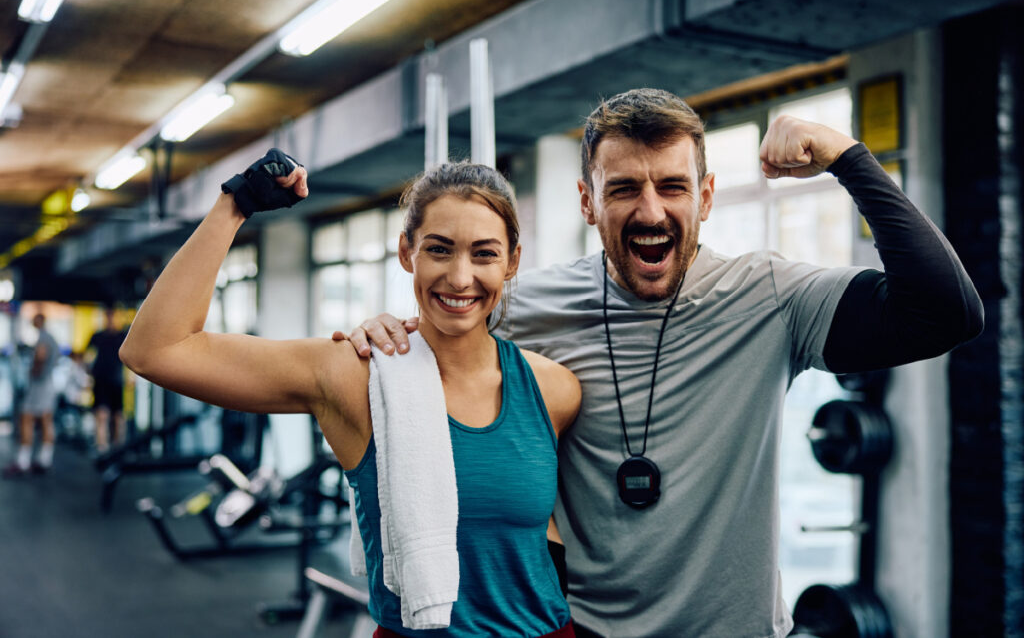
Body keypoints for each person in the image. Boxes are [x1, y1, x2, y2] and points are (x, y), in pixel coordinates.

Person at [342, 88, 985, 637]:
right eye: (623, 188)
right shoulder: (523, 306)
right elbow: (445, 326)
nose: (651, 211)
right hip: (584, 630)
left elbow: (946, 313)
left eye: (672, 186)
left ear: (705, 196)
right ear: (588, 202)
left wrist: (848, 159)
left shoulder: (771, 296)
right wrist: (393, 333)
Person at [119, 150, 581, 637]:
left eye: (484, 253)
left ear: (512, 262)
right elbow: (156, 350)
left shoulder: (554, 390)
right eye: (439, 249)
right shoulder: (355, 374)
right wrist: (235, 205)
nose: (461, 277)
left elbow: (542, 537)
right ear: (407, 253)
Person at [4, 313, 62, 476]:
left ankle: (23, 461)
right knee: (45, 419)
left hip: (40, 385)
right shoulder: (50, 338)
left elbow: (41, 356)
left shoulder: (44, 338)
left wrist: (32, 372)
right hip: (47, 383)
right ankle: (44, 459)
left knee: (27, 418)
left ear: (40, 321)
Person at [86, 307, 128, 453]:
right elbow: (88, 355)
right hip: (101, 380)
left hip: (116, 380)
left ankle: (118, 448)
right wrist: (89, 371)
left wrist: (130, 376)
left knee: (118, 416)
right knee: (101, 414)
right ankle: (102, 447)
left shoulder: (122, 336)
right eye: (108, 315)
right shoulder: (97, 336)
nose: (110, 319)